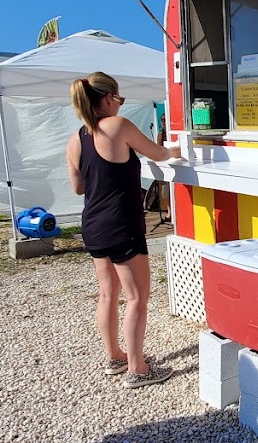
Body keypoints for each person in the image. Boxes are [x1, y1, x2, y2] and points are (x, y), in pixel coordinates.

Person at [67, 72, 182, 387]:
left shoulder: (76, 138)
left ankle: (114, 357)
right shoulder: (117, 126)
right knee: (136, 297)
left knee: (108, 294)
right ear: (108, 98)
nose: (120, 105)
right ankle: (137, 369)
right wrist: (179, 151)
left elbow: (78, 187)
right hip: (122, 224)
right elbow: (159, 154)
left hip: (93, 225)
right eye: (119, 99)